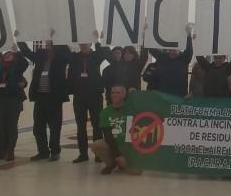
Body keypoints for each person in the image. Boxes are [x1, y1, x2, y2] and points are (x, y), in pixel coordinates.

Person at [17, 33, 71, 162]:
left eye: (51, 42)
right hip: (40, 96)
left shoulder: (61, 57)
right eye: (47, 42)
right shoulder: (40, 55)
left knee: (54, 126)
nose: (47, 44)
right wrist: (20, 39)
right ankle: (43, 151)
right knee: (38, 127)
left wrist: (58, 39)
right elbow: (27, 52)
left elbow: (68, 55)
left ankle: (55, 151)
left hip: (54, 97)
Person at [67, 32, 109, 163]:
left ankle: (98, 153)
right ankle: (83, 153)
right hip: (79, 95)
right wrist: (58, 36)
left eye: (87, 43)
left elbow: (104, 52)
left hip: (95, 95)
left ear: (90, 44)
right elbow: (63, 52)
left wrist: (98, 39)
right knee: (80, 125)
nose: (84, 45)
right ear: (79, 44)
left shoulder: (96, 56)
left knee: (97, 125)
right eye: (82, 43)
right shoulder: (74, 57)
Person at [0, 47, 29, 161]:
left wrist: (17, 51)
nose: (8, 56)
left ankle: (10, 150)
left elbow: (24, 63)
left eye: (10, 54)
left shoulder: (17, 67)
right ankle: (0, 150)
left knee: (11, 126)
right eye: (6, 54)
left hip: (13, 100)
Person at [90, 84, 141, 175]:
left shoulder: (131, 109)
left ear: (124, 95)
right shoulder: (105, 112)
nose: (114, 95)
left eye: (118, 92)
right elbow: (108, 136)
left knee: (136, 172)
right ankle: (111, 164)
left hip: (129, 147)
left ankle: (124, 163)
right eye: (112, 92)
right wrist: (118, 156)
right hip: (114, 144)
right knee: (96, 145)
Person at [147, 28, 194, 97]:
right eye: (171, 49)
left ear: (179, 49)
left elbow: (189, 50)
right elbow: (151, 49)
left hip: (179, 96)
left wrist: (188, 36)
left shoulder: (184, 59)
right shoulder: (162, 57)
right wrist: (146, 34)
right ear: (168, 49)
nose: (173, 52)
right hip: (163, 96)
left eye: (175, 49)